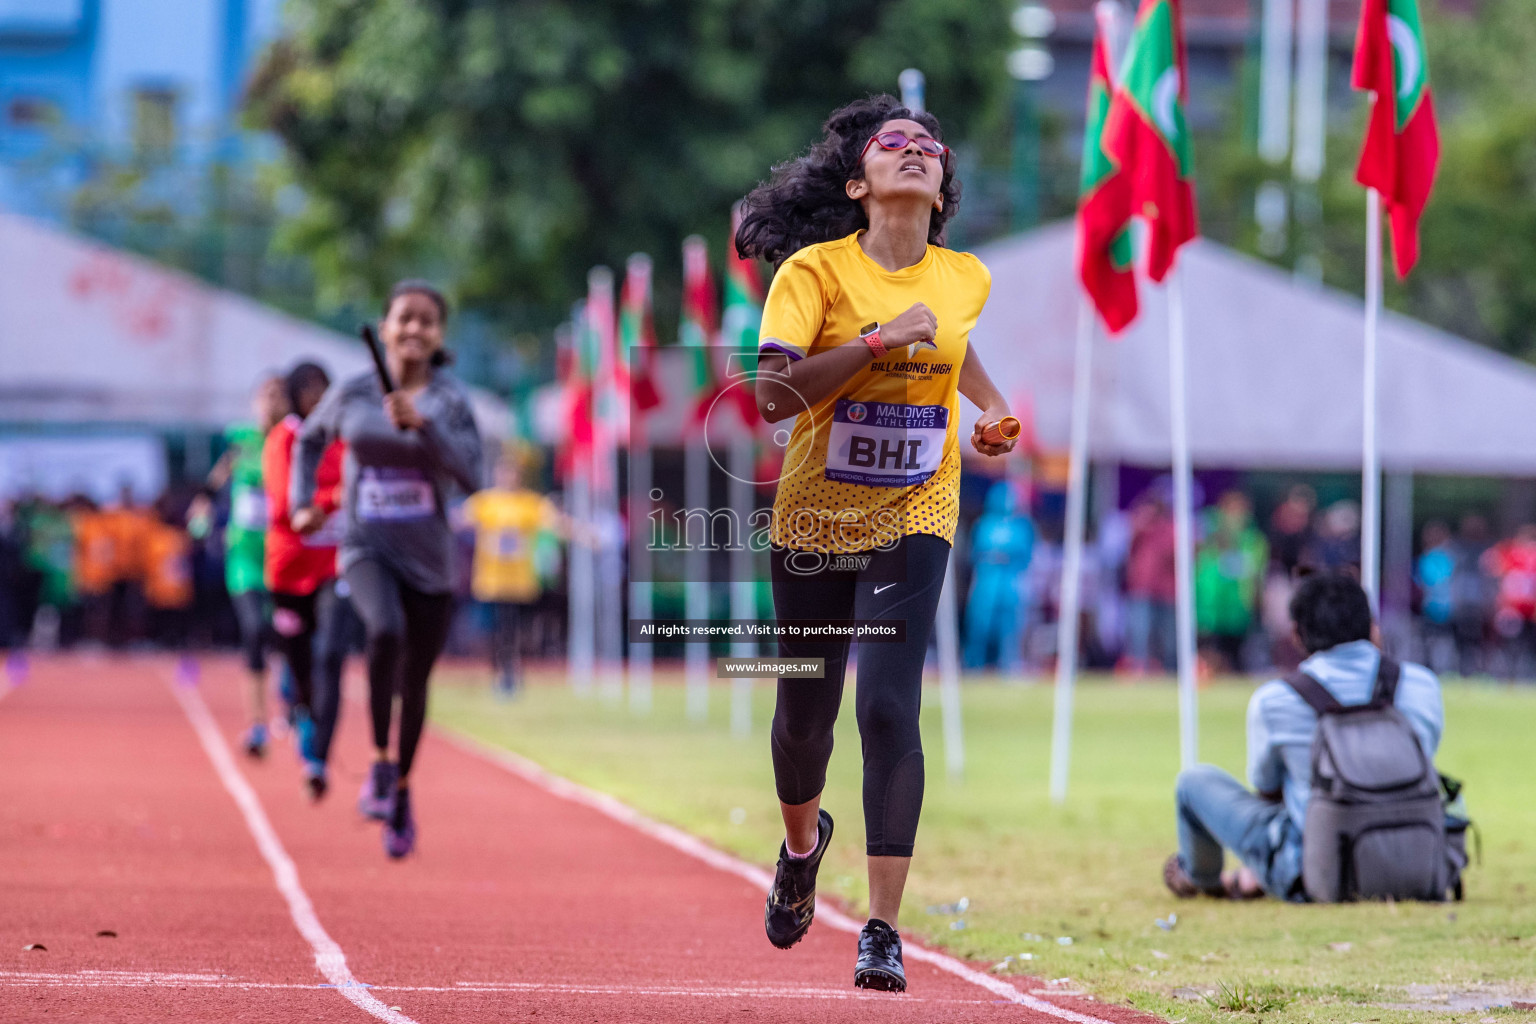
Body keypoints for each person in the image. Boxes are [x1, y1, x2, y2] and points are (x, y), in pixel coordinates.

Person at [741, 95, 1016, 991]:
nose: (915, 151)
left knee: (889, 708)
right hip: (816, 515)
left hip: (916, 507)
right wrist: (875, 342)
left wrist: (993, 408)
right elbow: (773, 402)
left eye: (928, 147)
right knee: (804, 715)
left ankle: (883, 928)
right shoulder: (812, 274)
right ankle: (799, 845)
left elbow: (954, 340)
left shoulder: (966, 275)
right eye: (891, 143)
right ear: (859, 184)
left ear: (939, 190)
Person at [291, 280, 482, 858]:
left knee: (416, 682)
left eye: (427, 321)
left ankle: (400, 789)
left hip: (430, 558)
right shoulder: (351, 392)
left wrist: (422, 426)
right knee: (383, 631)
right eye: (404, 318)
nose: (414, 329)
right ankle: (376, 763)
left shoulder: (450, 401)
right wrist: (302, 502)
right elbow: (307, 442)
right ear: (387, 323)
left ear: (439, 335)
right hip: (365, 543)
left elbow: (473, 477)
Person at [1163, 571, 1443, 901]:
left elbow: (1267, 792)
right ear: (1372, 626)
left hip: (1317, 872)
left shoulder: (1276, 699)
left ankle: (1202, 877)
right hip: (1419, 860)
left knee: (1193, 782)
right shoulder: (1422, 684)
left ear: (1297, 634)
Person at [190, 376, 288, 757]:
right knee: (254, 630)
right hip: (245, 554)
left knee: (287, 632)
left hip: (283, 552)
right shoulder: (242, 440)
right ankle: (257, 722)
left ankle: (289, 697)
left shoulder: (293, 441)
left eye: (278, 397)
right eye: (264, 396)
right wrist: (201, 508)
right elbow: (214, 484)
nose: (270, 403)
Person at [264, 361, 348, 800]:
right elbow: (282, 505)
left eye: (323, 389)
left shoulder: (342, 440)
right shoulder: (285, 439)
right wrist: (335, 499)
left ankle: (317, 756)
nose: (316, 398)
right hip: (289, 568)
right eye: (308, 390)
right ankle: (295, 702)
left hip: (335, 565)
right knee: (300, 662)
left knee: (330, 655)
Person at [461, 451, 564, 694]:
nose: (509, 478)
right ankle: (498, 670)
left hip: (519, 580)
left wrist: (584, 533)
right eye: (504, 472)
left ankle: (510, 671)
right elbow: (460, 519)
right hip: (491, 579)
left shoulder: (529, 503)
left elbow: (556, 521)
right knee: (495, 627)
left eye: (513, 473)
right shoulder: (485, 501)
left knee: (514, 627)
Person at [962, 480, 1034, 673]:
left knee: (1009, 628)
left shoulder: (1022, 526)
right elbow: (974, 554)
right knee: (980, 626)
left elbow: (1026, 557)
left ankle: (1009, 665)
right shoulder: (984, 524)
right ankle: (973, 665)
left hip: (1010, 585)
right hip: (987, 583)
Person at [1195, 491, 1268, 674]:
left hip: (1239, 606)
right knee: (1211, 651)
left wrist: (1257, 596)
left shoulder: (1254, 540)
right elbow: (1201, 566)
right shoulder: (1209, 535)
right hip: (1212, 606)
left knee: (1235, 652)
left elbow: (1256, 571)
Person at [1122, 490, 1177, 674]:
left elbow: (1173, 555)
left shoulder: (1170, 530)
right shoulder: (1138, 529)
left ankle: (1169, 670)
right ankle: (1140, 669)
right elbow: (1127, 549)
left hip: (1167, 591)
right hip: (1142, 589)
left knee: (1168, 636)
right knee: (1140, 633)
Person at [1481, 523, 1536, 677]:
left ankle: (1526, 674)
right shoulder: (1510, 553)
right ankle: (1509, 673)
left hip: (1530, 610)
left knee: (1528, 643)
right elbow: (1489, 564)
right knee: (1509, 643)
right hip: (1512, 608)